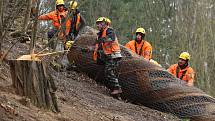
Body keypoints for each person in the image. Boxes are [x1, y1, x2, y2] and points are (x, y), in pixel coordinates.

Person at [93, 17, 122, 96]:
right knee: (107, 72)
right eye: (97, 24)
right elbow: (99, 46)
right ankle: (115, 92)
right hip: (107, 56)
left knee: (108, 72)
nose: (98, 25)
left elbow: (110, 38)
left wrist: (101, 39)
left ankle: (117, 88)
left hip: (113, 55)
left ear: (105, 24)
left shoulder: (109, 30)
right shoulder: (100, 34)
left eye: (100, 23)